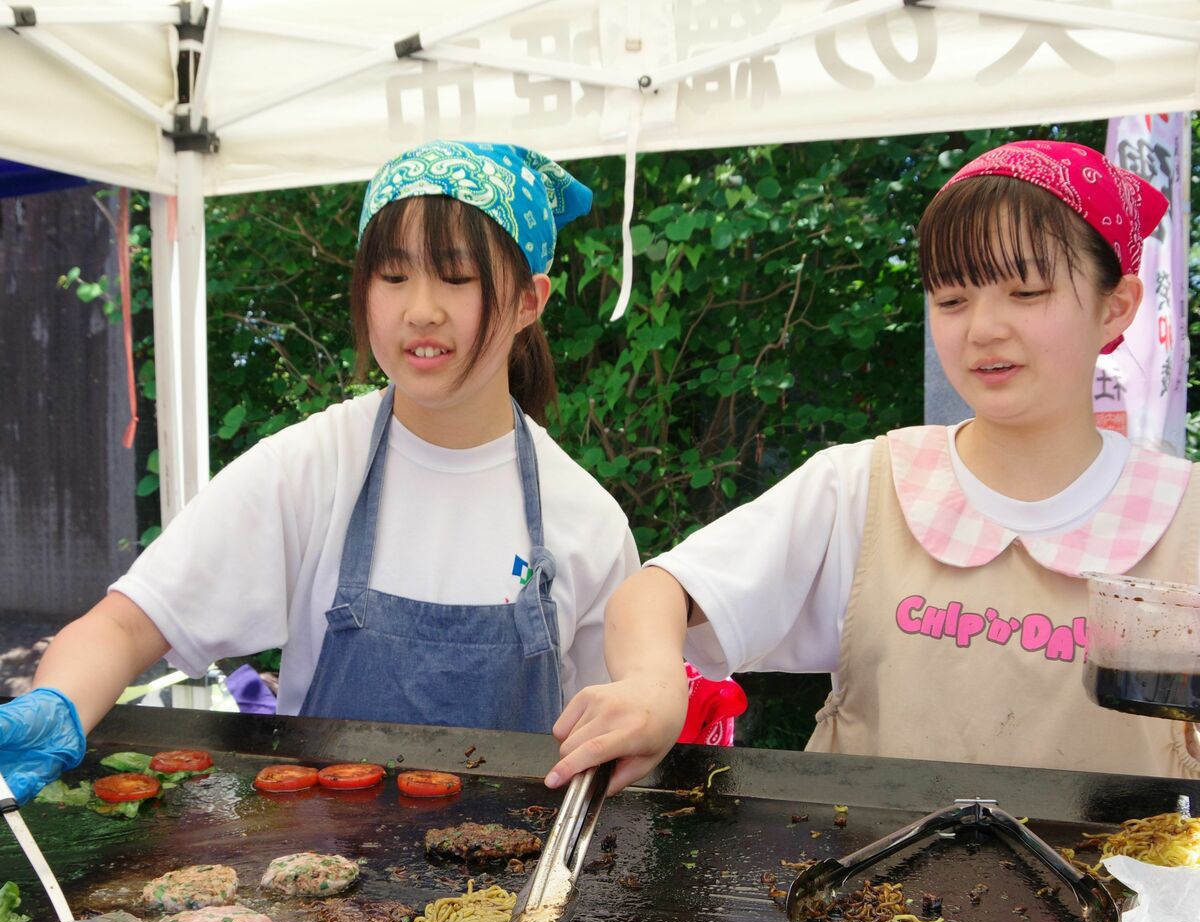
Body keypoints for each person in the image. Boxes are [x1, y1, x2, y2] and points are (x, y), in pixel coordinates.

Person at [547, 139, 1200, 794]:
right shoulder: (870, 488)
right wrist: (654, 688)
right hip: (877, 892)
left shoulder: (1186, 520)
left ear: (1116, 306)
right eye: (951, 300)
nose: (984, 328)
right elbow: (656, 593)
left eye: (1026, 292)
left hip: (1124, 892)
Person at [0, 139, 639, 803]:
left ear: (530, 300)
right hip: (316, 893)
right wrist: (56, 706)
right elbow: (126, 625)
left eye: (456, 276)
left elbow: (613, 753)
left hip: (518, 898)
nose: (420, 308)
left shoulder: (587, 524)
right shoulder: (308, 471)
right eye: (393, 276)